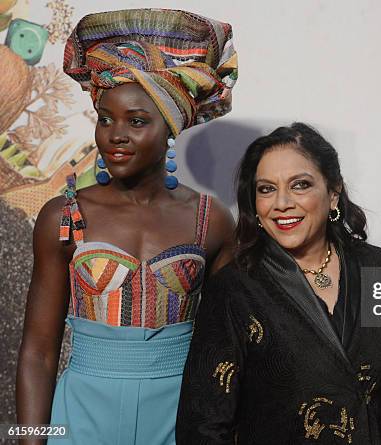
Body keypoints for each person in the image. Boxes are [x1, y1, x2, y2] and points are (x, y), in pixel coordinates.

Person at [16, 9, 238, 445]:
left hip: (179, 417)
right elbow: (39, 353)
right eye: (105, 118)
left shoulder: (211, 220)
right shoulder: (62, 216)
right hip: (80, 415)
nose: (115, 135)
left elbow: (226, 352)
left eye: (137, 122)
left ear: (170, 127)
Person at [176, 123, 381, 444]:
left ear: (333, 193)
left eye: (300, 185)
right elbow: (202, 425)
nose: (281, 203)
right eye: (266, 189)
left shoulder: (379, 267)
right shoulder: (234, 289)